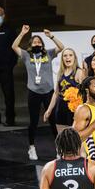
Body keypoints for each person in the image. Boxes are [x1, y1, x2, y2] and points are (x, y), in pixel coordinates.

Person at [12, 25, 64, 160]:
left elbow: (61, 47)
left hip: (48, 92)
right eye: (34, 42)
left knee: (53, 121)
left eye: (39, 42)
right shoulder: (26, 55)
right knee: (33, 121)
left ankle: (59, 148)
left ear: (42, 45)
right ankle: (32, 147)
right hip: (33, 92)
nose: (37, 44)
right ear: (30, 44)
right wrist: (22, 33)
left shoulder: (48, 53)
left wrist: (51, 36)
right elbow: (14, 46)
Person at [44, 48, 84, 135]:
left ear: (74, 58)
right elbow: (56, 93)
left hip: (73, 110)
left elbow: (84, 93)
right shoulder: (61, 73)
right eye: (65, 56)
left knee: (75, 139)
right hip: (60, 108)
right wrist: (49, 110)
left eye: (70, 55)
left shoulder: (79, 72)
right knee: (62, 138)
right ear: (62, 59)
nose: (67, 57)